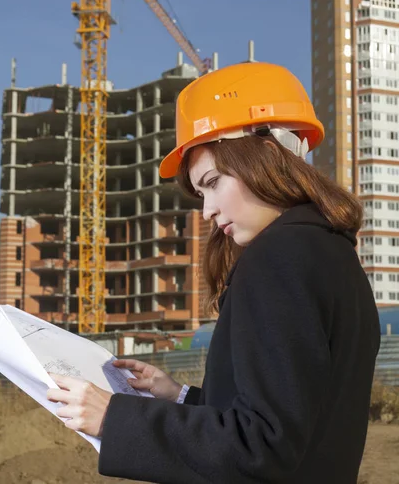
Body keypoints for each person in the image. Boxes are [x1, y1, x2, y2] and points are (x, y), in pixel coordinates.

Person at [47, 62, 380, 484]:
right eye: (200, 193)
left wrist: (113, 418)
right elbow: (294, 419)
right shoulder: (332, 253)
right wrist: (180, 396)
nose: (207, 211)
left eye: (213, 181)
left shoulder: (277, 258)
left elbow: (261, 446)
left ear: (266, 153)